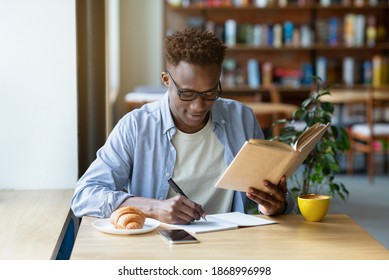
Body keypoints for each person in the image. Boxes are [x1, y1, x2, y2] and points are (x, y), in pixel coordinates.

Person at [71, 28, 293, 224]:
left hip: (229, 244)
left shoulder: (241, 118)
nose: (198, 106)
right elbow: (84, 195)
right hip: (159, 246)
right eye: (187, 93)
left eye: (210, 93)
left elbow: (274, 197)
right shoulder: (136, 126)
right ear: (166, 80)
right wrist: (153, 208)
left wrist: (275, 206)